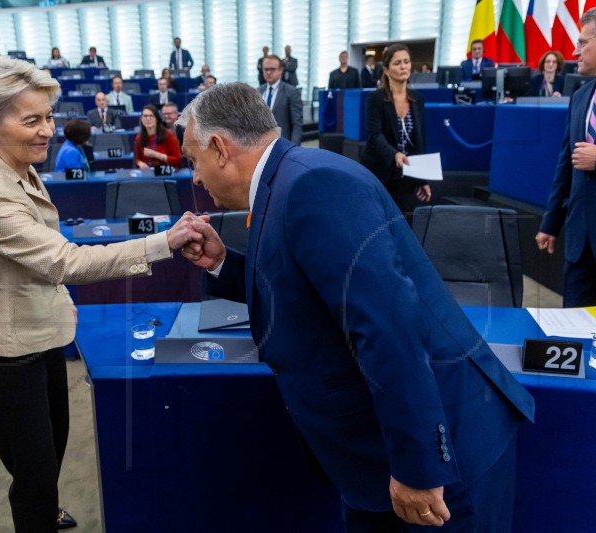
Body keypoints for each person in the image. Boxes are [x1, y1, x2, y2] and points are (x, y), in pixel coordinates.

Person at [177, 81, 535, 533]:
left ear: (219, 147)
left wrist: (418, 466)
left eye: (194, 161)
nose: (194, 177)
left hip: (442, 463)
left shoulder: (312, 185)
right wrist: (224, 263)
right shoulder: (286, 179)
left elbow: (388, 327)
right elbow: (301, 286)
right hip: (372, 463)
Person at [0, 55, 207, 533]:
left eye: (47, 116)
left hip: (42, 334)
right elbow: (66, 261)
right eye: (31, 120)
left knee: (52, 448)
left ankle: (46, 507)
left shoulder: (13, 165)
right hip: (8, 356)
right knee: (33, 474)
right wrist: (164, 242)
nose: (47, 130)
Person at [536, 4, 596, 312]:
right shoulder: (581, 96)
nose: (574, 51)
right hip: (579, 243)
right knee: (573, 336)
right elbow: (566, 165)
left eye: (583, 42)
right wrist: (550, 222)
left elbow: (593, 158)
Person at [360, 44, 431, 219]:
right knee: (377, 223)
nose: (403, 66)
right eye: (397, 63)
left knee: (404, 224)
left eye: (406, 62)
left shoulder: (417, 100)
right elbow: (375, 135)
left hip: (405, 176)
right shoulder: (376, 99)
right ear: (386, 69)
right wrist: (394, 155)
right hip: (379, 171)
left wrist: (422, 179)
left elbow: (419, 140)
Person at [259, 54, 302, 145]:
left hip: (283, 145)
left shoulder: (292, 92)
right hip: (261, 146)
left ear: (280, 70)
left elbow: (297, 124)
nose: (268, 72)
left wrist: (293, 149)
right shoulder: (257, 92)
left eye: (272, 69)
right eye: (266, 69)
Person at [134, 104, 181, 170]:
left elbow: (178, 160)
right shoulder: (139, 138)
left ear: (157, 119)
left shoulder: (168, 135)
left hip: (166, 173)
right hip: (148, 174)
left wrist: (156, 155)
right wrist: (140, 163)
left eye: (151, 116)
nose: (148, 119)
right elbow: (137, 159)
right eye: (145, 116)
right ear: (141, 119)